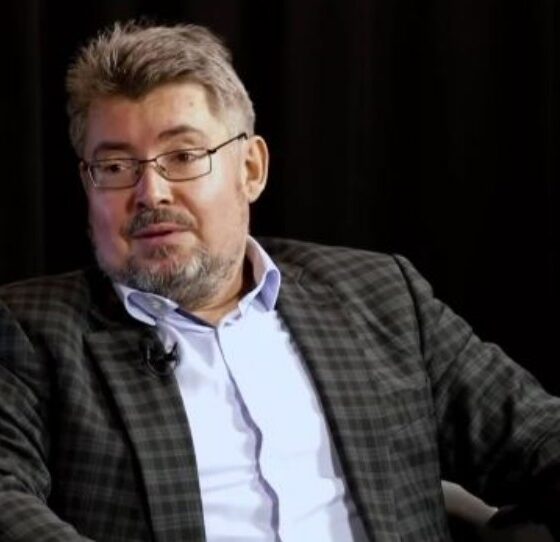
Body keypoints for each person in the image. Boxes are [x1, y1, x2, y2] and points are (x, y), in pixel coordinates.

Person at [0, 20, 558, 542]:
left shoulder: (382, 295)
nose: (151, 193)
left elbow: (537, 436)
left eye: (184, 155)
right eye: (116, 167)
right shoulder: (30, 330)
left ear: (251, 169)